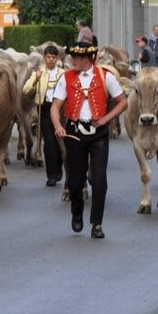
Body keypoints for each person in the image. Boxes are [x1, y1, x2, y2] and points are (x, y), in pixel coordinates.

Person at [50, 41, 128, 239]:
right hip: (74, 132)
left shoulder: (105, 76)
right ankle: (77, 211)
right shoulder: (66, 78)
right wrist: (58, 126)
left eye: (76, 57)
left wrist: (105, 119)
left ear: (87, 59)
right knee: (75, 181)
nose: (73, 60)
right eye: (73, 57)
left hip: (99, 133)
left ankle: (97, 224)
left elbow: (122, 102)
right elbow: (55, 106)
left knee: (100, 179)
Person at [22, 45, 65, 187]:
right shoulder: (39, 73)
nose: (51, 60)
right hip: (45, 109)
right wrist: (35, 80)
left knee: (60, 142)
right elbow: (26, 91)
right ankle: (51, 175)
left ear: (57, 58)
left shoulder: (63, 74)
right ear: (44, 58)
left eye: (53, 57)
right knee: (49, 142)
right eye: (48, 57)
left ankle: (59, 168)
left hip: (60, 110)